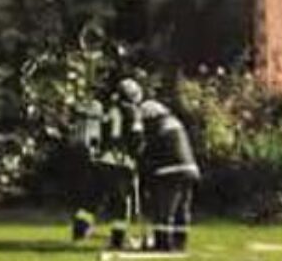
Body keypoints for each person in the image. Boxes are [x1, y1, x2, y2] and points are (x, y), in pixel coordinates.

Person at [72, 83, 143, 249]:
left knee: (92, 200)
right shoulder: (133, 112)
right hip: (121, 163)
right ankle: (118, 240)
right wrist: (136, 157)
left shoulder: (110, 110)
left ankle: (79, 233)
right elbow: (136, 139)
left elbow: (99, 136)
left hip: (102, 161)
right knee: (121, 204)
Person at [132, 86, 201, 253]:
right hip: (190, 170)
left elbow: (149, 153)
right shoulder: (175, 122)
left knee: (163, 210)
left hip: (170, 172)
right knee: (182, 210)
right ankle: (180, 243)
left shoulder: (155, 126)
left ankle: (163, 244)